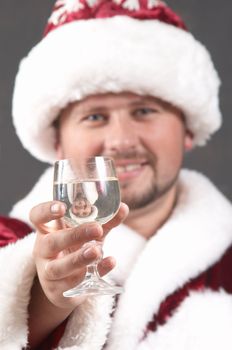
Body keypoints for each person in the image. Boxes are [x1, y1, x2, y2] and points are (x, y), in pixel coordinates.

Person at [1, 0, 232, 349]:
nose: (122, 141)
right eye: (94, 117)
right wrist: (43, 300)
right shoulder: (7, 242)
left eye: (144, 110)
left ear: (188, 128)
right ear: (57, 141)